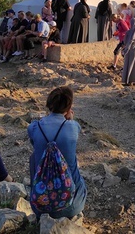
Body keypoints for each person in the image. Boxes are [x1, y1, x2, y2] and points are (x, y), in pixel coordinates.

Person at [27, 86, 87, 219]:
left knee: (34, 158)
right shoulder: (73, 126)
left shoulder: (34, 127)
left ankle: (38, 195)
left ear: (49, 104)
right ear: (68, 107)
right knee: (72, 163)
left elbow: (34, 142)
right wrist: (69, 120)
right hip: (71, 206)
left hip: (40, 207)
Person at [121, 17, 135, 86]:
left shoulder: (128, 32)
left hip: (130, 50)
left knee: (129, 65)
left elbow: (125, 42)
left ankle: (129, 81)